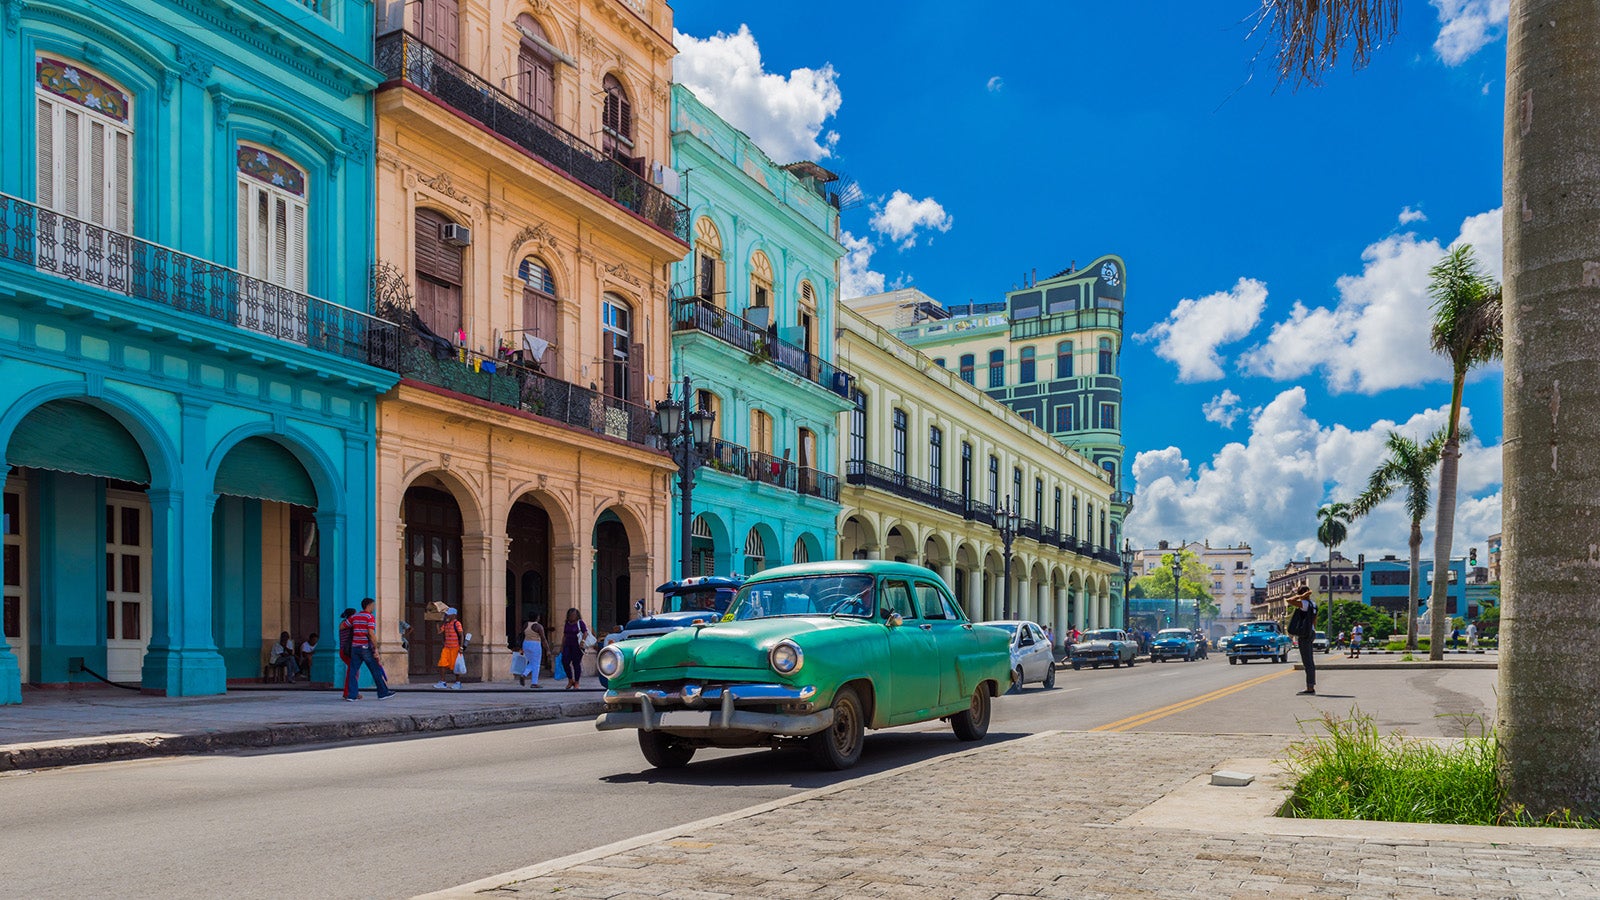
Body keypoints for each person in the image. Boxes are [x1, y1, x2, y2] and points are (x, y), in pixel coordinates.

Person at [344, 597, 395, 702]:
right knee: (375, 670)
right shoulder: (369, 617)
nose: (374, 607)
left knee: (353, 671)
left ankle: (351, 695)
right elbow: (371, 633)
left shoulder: (354, 616)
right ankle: (383, 693)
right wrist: (376, 647)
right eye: (373, 605)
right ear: (369, 605)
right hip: (365, 647)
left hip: (355, 647)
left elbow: (343, 626)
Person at [1290, 586, 1317, 695]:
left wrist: (1301, 596)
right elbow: (1315, 620)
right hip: (1311, 632)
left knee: (1307, 662)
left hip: (1305, 634)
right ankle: (1310, 685)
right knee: (1310, 661)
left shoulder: (1304, 604)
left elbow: (1289, 601)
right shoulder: (1313, 604)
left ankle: (1310, 688)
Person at [435, 607, 465, 690]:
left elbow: (461, 635)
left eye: (449, 614)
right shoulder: (446, 624)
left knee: (456, 666)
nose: (447, 616)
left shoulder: (457, 623)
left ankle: (458, 682)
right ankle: (443, 682)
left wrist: (461, 647)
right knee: (442, 664)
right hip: (447, 647)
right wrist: (438, 623)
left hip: (455, 647)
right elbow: (439, 632)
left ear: (454, 615)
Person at [561, 607, 590, 690]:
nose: (572, 616)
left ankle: (577, 682)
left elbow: (585, 632)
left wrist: (583, 641)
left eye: (574, 615)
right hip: (568, 645)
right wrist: (562, 646)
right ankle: (570, 680)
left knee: (576, 663)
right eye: (571, 615)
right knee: (565, 662)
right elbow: (565, 635)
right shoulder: (567, 623)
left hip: (577, 646)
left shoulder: (580, 623)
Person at [522, 617, 545, 689]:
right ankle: (534, 683)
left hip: (526, 643)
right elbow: (543, 638)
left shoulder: (526, 625)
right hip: (535, 644)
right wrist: (547, 649)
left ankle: (524, 674)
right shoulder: (538, 626)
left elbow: (522, 634)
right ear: (537, 618)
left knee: (532, 662)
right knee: (536, 664)